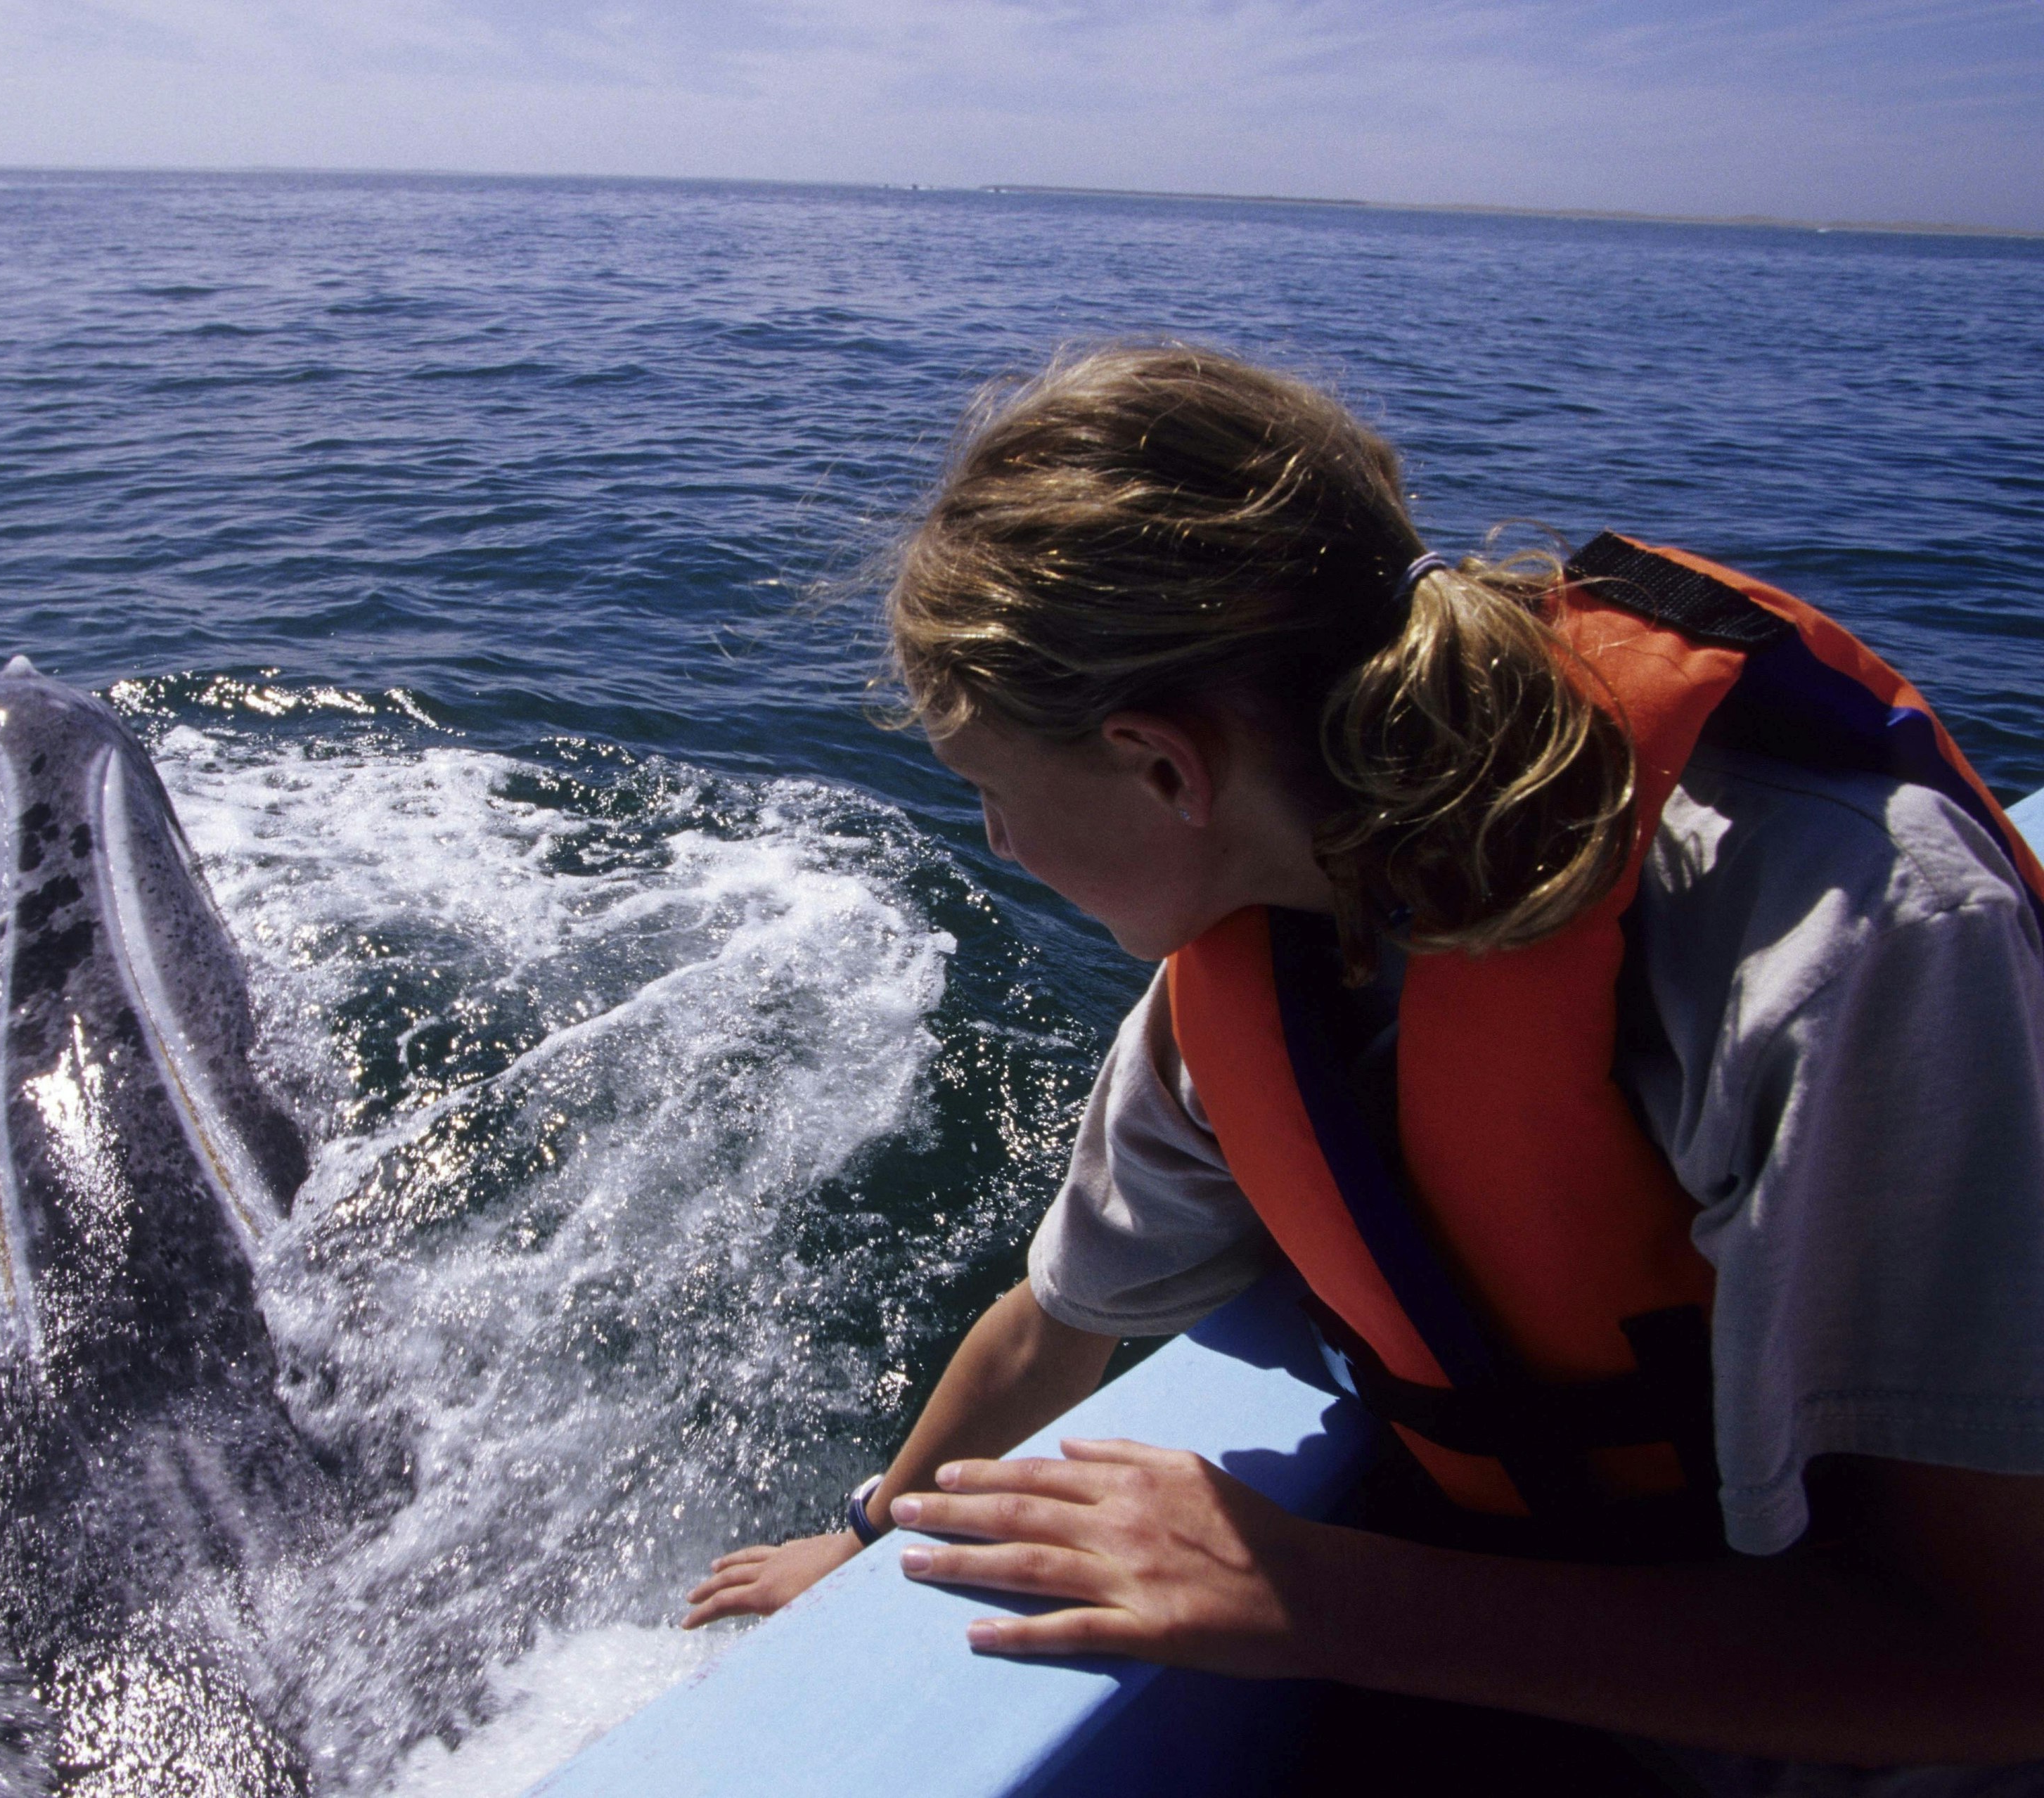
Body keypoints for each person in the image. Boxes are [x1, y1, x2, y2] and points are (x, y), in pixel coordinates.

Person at [680, 343, 2044, 1789]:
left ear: (1164, 767)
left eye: (993, 791)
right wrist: (875, 1528)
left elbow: (1997, 1664)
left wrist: (1303, 1590)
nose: (1001, 847)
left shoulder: (1839, 936)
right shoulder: (1256, 967)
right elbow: (1059, 1317)